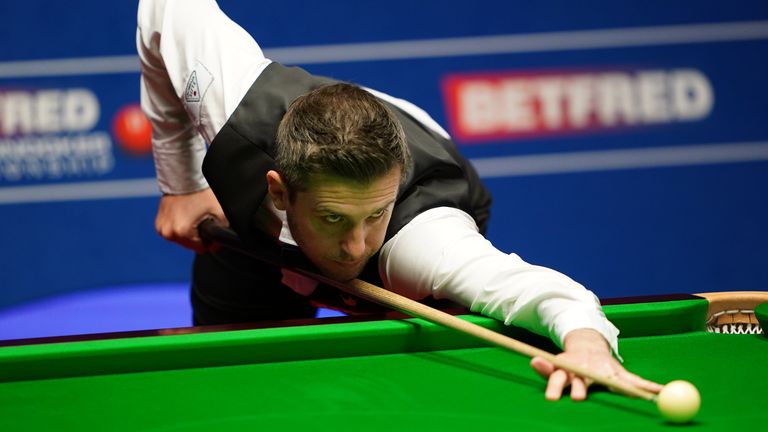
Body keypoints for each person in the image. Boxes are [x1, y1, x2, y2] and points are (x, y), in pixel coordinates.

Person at [137, 0, 663, 401]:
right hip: (256, 238)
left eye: (374, 216)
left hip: (421, 212)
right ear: (279, 190)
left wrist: (587, 342)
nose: (354, 246)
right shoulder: (237, 111)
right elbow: (168, 9)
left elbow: (530, 289)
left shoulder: (422, 241)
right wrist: (179, 184)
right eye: (333, 218)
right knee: (232, 385)